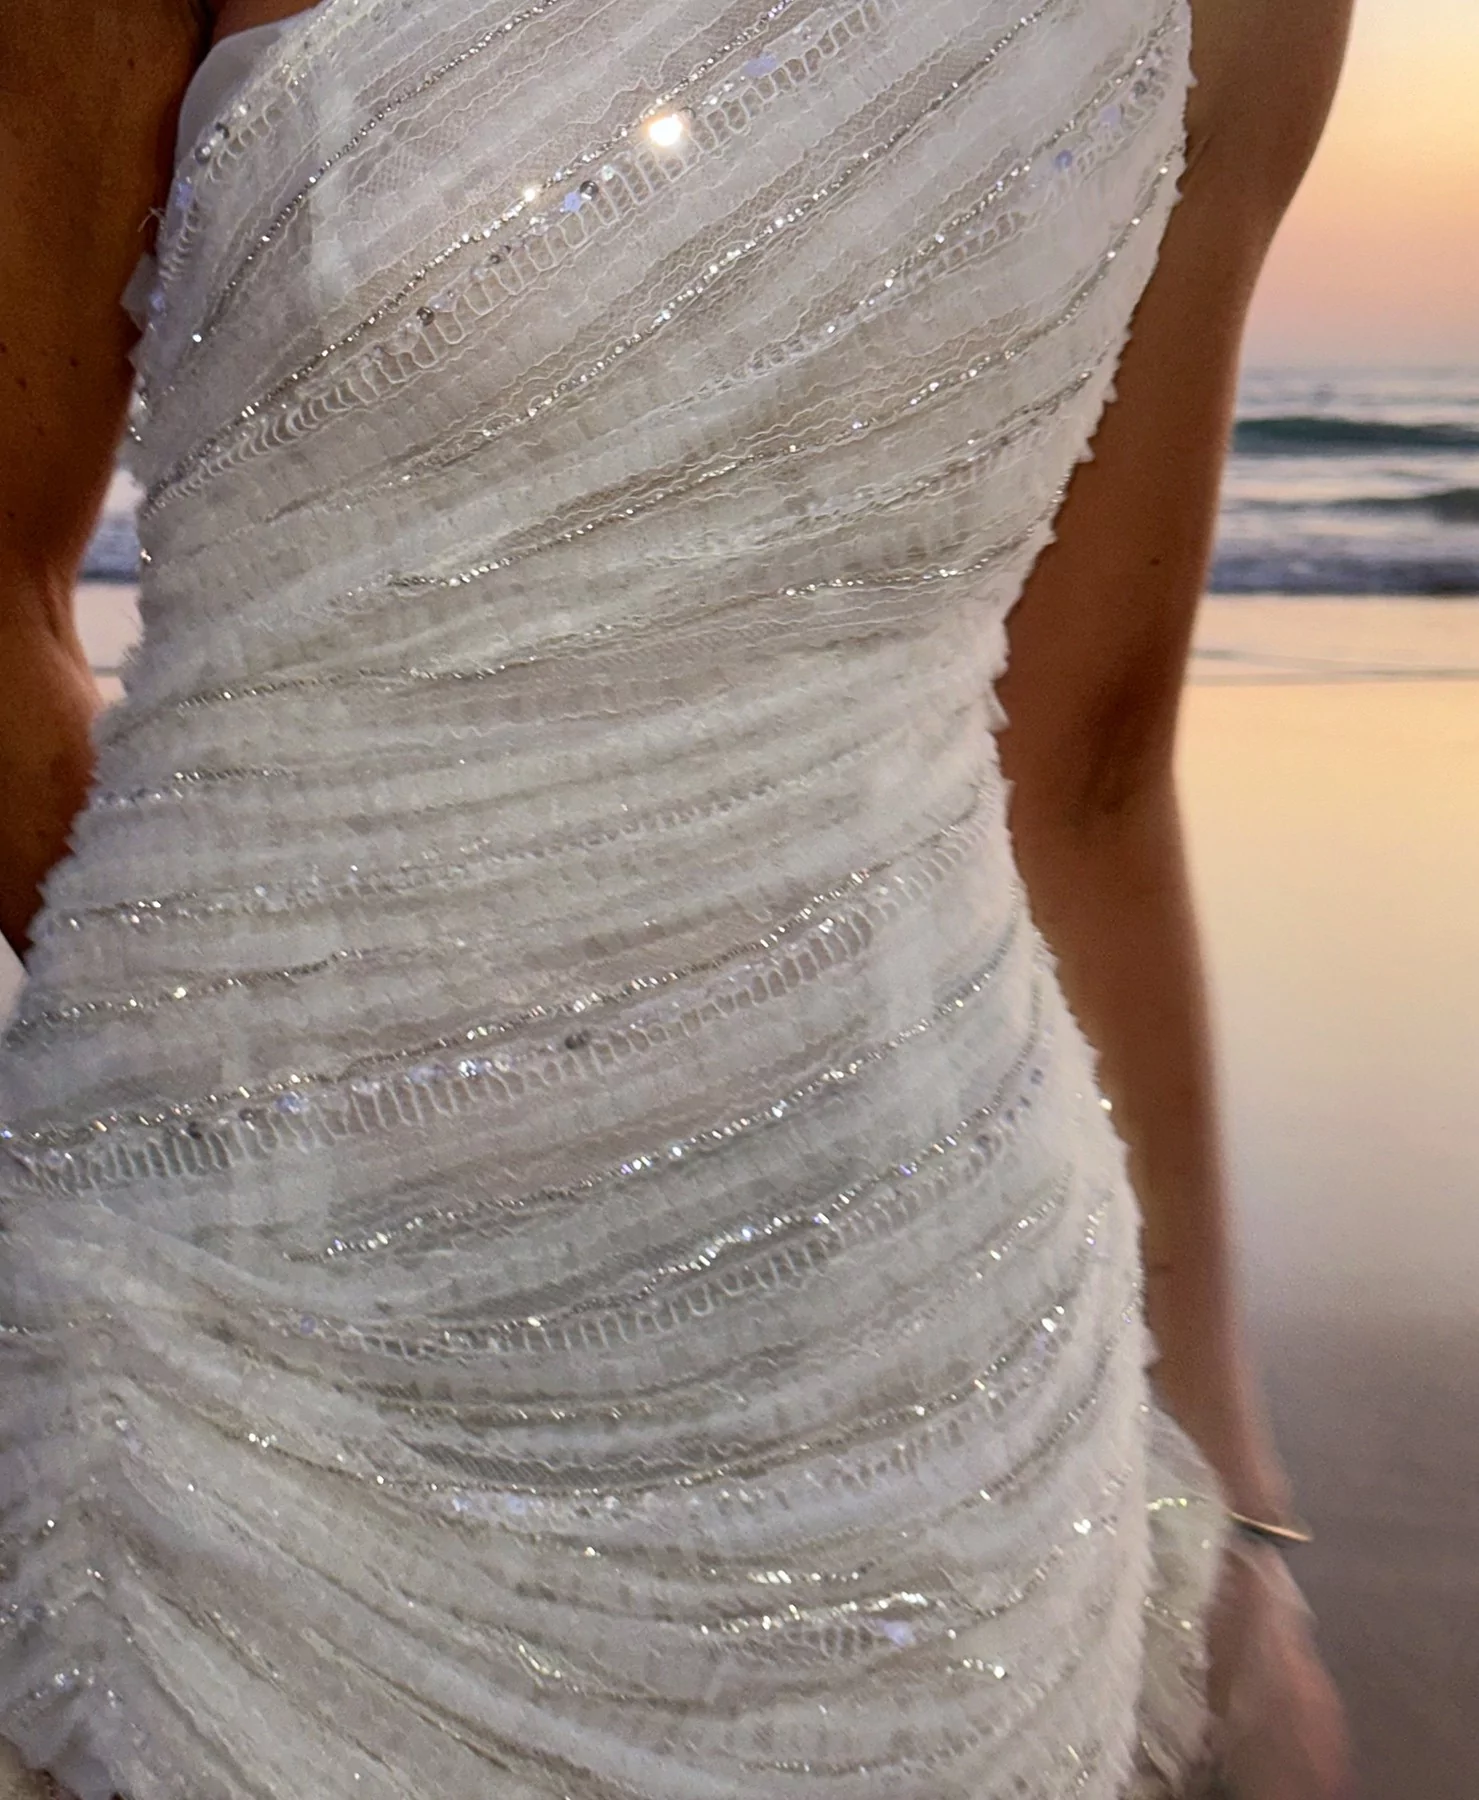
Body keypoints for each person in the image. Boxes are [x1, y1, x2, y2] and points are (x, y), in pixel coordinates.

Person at [0, 0, 1355, 1794]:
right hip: (232, 1386)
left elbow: (1088, 774)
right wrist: (240, 1057)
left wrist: (1234, 1516)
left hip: (914, 1430)